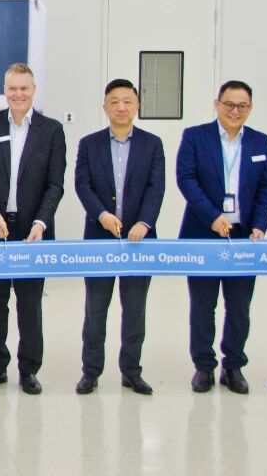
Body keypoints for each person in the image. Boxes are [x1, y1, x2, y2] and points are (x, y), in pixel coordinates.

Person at [0, 63, 65, 395]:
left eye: (24, 88)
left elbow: (55, 185)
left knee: (30, 303)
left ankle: (29, 370)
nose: (18, 94)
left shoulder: (51, 130)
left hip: (32, 231)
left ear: (33, 90)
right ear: (5, 91)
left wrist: (41, 222)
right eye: (12, 88)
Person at [176, 80, 267, 395]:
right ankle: (204, 366)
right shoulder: (195, 136)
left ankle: (233, 366)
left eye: (242, 106)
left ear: (250, 108)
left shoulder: (261, 142)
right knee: (203, 306)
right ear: (217, 104)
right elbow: (186, 179)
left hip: (244, 238)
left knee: (239, 307)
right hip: (203, 234)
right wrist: (212, 217)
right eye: (229, 104)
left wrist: (260, 224)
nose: (235, 111)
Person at [72, 79, 165, 396]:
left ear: (137, 106)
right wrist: (102, 215)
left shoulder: (152, 144)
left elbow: (156, 187)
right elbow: (82, 185)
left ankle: (132, 372)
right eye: (114, 101)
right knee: (95, 310)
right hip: (100, 237)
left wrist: (145, 222)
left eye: (127, 101)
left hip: (140, 240)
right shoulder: (89, 144)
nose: (121, 107)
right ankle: (91, 372)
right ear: (105, 107)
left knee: (135, 309)